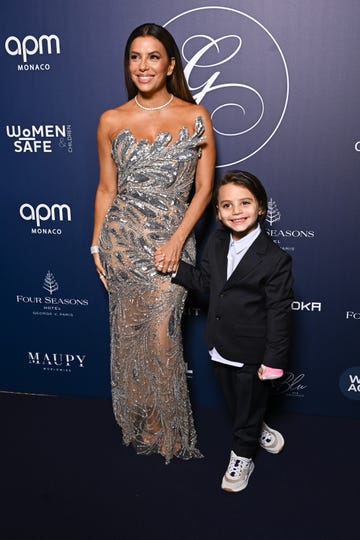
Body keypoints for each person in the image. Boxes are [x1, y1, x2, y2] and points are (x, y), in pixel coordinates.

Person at [90, 22, 216, 463]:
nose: (143, 66)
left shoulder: (195, 116)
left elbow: (203, 191)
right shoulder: (111, 119)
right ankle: (145, 421)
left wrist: (178, 240)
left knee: (162, 339)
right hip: (121, 243)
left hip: (170, 243)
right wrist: (96, 247)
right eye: (135, 57)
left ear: (170, 64)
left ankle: (170, 426)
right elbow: (107, 189)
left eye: (153, 57)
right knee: (129, 338)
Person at [167, 170, 293, 490]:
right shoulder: (217, 241)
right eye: (227, 205)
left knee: (247, 407)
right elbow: (208, 284)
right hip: (218, 344)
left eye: (245, 203)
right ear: (219, 213)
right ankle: (254, 424)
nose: (236, 211)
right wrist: (175, 268)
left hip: (253, 352)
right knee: (238, 403)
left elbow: (279, 313)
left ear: (261, 207)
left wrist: (274, 360)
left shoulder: (276, 260)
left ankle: (243, 453)